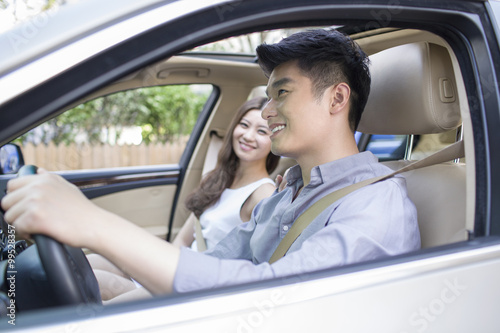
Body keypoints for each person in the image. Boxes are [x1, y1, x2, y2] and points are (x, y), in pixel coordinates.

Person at [1, 29, 420, 297]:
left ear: (337, 98)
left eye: (282, 93)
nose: (267, 110)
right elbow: (217, 262)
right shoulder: (287, 194)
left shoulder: (375, 204)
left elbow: (276, 299)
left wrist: (93, 223)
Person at [89, 96, 279, 301]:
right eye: (244, 125)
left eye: (261, 131)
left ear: (274, 139)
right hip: (175, 269)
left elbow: (259, 262)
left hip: (196, 286)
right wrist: (156, 269)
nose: (248, 136)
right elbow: (182, 240)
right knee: (90, 263)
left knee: (94, 283)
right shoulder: (218, 179)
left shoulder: (264, 193)